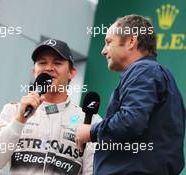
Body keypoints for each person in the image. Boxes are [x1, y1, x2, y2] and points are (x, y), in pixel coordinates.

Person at [75, 14, 185, 175]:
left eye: (108, 42)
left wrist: (91, 131)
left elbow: (131, 121)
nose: (103, 51)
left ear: (131, 41)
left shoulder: (144, 71)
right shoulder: (153, 73)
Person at [0, 39, 101, 175]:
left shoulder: (90, 120)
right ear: (34, 71)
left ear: (71, 73)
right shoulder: (13, 111)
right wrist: (20, 120)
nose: (49, 68)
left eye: (57, 62)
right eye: (42, 62)